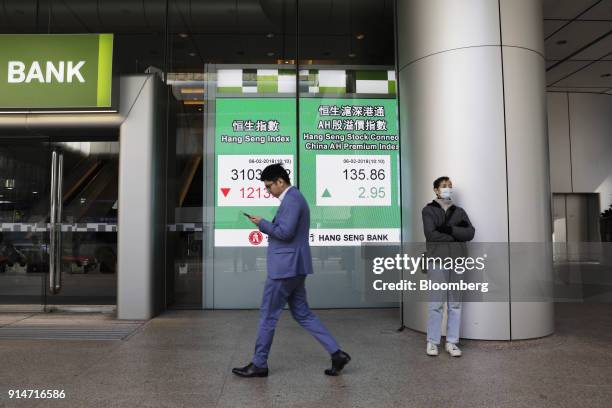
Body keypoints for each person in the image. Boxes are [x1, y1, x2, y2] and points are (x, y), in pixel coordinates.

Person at [232, 163, 351, 378]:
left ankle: (259, 364)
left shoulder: (293, 199)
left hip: (284, 269)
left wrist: (262, 224)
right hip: (294, 268)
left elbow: (285, 232)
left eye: (269, 186)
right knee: (303, 314)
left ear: (280, 181)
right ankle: (336, 353)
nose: (268, 191)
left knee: (268, 316)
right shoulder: (292, 199)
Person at [422, 176, 475, 357]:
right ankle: (432, 342)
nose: (448, 189)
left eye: (450, 186)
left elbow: (470, 233)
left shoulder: (460, 211)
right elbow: (431, 235)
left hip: (458, 261)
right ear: (436, 190)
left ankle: (452, 342)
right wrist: (456, 234)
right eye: (444, 186)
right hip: (437, 260)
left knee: (455, 303)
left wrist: (449, 230)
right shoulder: (428, 211)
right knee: (436, 303)